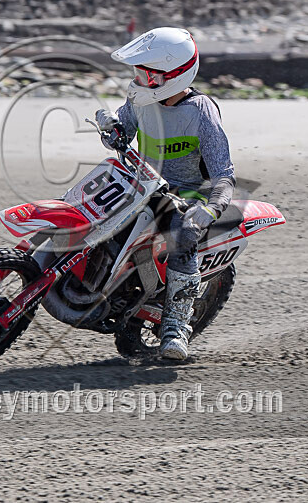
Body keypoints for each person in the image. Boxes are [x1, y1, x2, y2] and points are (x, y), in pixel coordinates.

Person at [95, 27, 236, 360]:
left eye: (147, 75)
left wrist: (211, 210)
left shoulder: (201, 112)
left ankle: (176, 330)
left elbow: (224, 174)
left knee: (183, 235)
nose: (139, 81)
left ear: (173, 76)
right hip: (141, 185)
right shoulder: (141, 99)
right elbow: (121, 134)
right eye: (137, 73)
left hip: (187, 197)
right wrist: (110, 128)